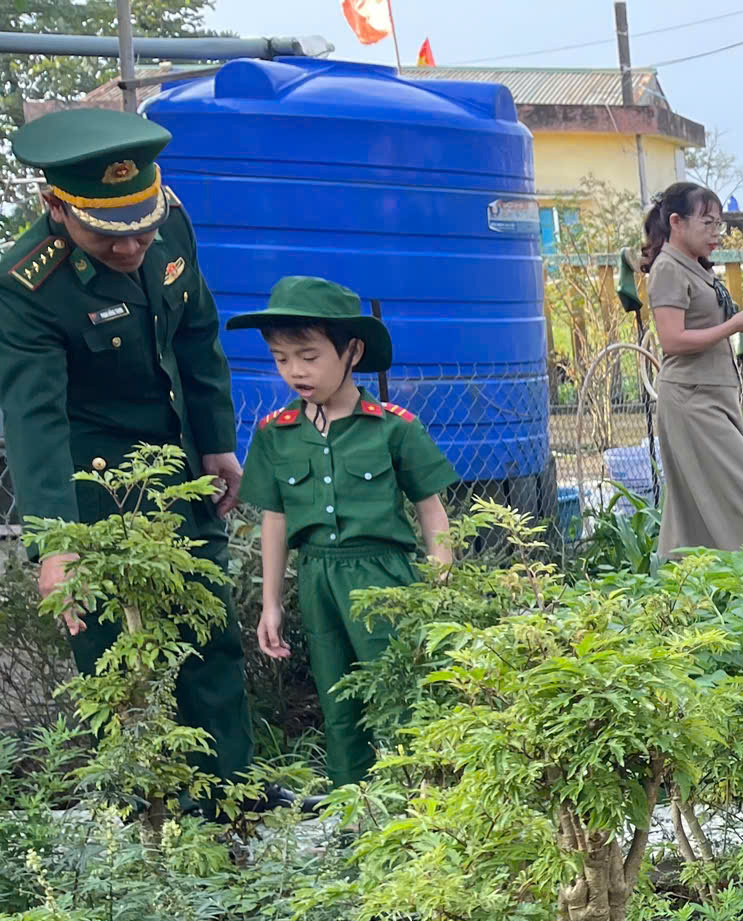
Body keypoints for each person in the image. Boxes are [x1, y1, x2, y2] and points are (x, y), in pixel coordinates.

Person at [0, 109, 256, 788]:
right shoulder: (27, 285)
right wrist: (56, 542)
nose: (133, 245)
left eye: (141, 227)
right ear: (55, 206)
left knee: (208, 626)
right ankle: (142, 806)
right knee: (117, 649)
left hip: (178, 460)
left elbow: (197, 332)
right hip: (98, 479)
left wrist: (217, 443)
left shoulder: (169, 221)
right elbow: (34, 417)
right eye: (109, 233)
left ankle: (230, 795)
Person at [232, 277, 455, 787]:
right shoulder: (275, 434)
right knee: (338, 701)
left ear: (351, 351)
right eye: (281, 358)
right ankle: (354, 811)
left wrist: (438, 589)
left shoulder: (394, 427)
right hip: (318, 581)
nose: (295, 371)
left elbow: (432, 511)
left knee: (400, 695)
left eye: (309, 356)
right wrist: (271, 603)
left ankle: (420, 805)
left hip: (384, 580)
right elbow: (275, 520)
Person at [643, 180, 743, 555]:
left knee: (700, 502)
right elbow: (672, 340)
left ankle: (689, 579)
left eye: (719, 224)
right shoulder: (668, 269)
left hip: (714, 394)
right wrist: (733, 326)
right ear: (676, 222)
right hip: (691, 399)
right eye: (707, 223)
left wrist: (737, 322)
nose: (716, 232)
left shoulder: (694, 267)